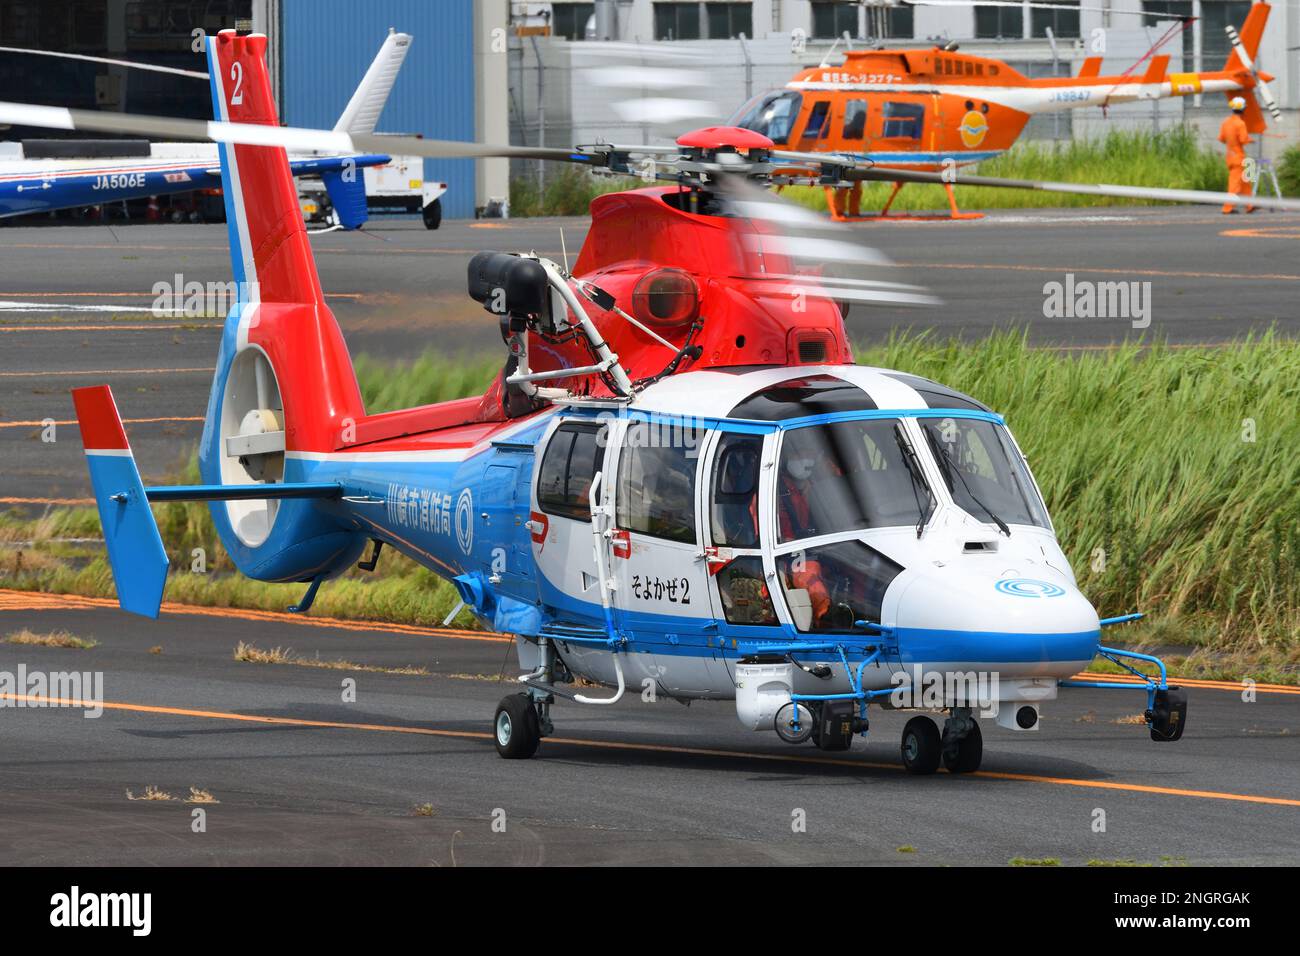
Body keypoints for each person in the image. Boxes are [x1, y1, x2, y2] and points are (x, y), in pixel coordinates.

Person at [1219, 96, 1256, 215]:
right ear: (1243, 109)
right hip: (1239, 158)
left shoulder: (1226, 122)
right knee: (1235, 184)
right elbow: (1243, 140)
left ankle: (1250, 205)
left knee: (1246, 181)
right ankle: (1227, 208)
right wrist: (1250, 140)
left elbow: (1222, 138)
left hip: (1230, 156)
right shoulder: (1240, 124)